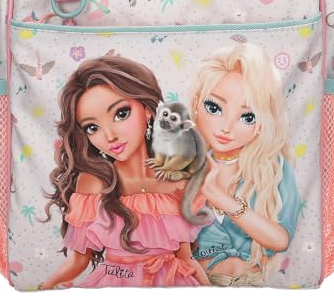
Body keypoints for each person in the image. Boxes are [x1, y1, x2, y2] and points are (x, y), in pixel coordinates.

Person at [40, 55, 212, 288]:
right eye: (92, 127)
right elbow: (79, 261)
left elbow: (186, 258)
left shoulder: (177, 182)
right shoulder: (94, 183)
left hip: (175, 283)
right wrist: (44, 287)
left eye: (121, 114)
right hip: (116, 284)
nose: (110, 136)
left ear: (147, 109)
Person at [188, 43, 301, 286]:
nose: (226, 127)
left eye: (247, 117)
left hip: (250, 285)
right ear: (196, 104)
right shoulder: (184, 163)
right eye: (214, 108)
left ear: (261, 124)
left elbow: (281, 240)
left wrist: (221, 198)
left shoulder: (273, 169)